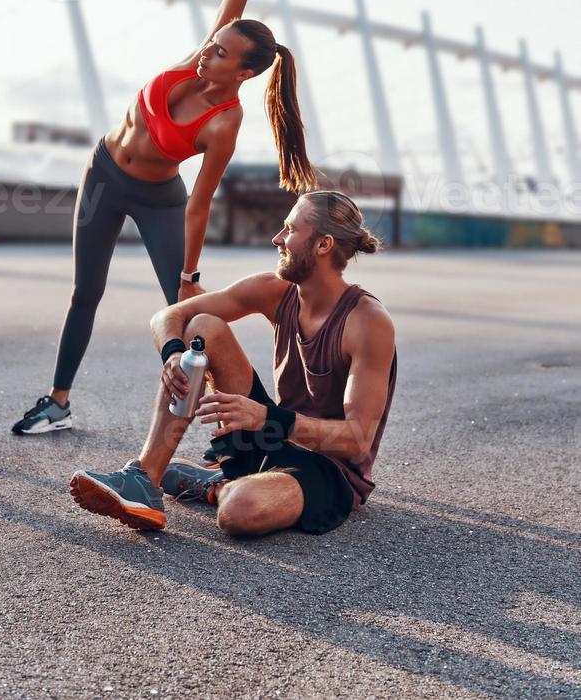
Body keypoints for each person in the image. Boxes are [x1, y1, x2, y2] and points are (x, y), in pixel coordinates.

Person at [12, 0, 344, 436]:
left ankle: (238, 427)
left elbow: (200, 204)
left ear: (243, 72)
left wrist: (190, 273)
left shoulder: (224, 124)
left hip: (159, 199)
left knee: (190, 315)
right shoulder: (200, 59)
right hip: (103, 174)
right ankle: (57, 401)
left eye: (220, 53)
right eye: (212, 44)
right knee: (85, 291)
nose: (206, 52)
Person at [70, 190, 397, 537]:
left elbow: (357, 439)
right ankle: (143, 479)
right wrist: (175, 355)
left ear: (323, 245)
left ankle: (219, 484)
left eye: (290, 230)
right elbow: (169, 316)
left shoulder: (367, 321)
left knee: (239, 512)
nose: (277, 238)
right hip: (272, 434)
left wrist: (267, 418)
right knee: (201, 328)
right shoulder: (274, 290)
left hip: (329, 468)